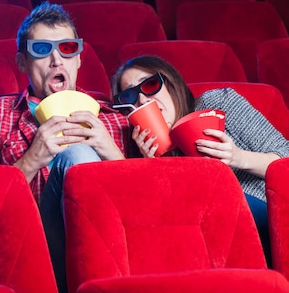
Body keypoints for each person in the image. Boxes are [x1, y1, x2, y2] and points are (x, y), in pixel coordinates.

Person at [0, 2, 131, 293]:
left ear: (79, 59)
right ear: (22, 62)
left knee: (81, 154)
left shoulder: (113, 119)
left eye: (67, 48)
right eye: (42, 50)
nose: (57, 59)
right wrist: (32, 159)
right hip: (32, 243)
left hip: (109, 248)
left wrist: (111, 155)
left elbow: (138, 209)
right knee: (77, 153)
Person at [112, 55, 289, 263]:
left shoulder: (216, 103)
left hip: (268, 221)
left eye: (150, 85)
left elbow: (285, 158)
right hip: (213, 250)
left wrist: (238, 157)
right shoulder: (140, 152)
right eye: (129, 97)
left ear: (171, 83)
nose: (142, 100)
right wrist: (153, 166)